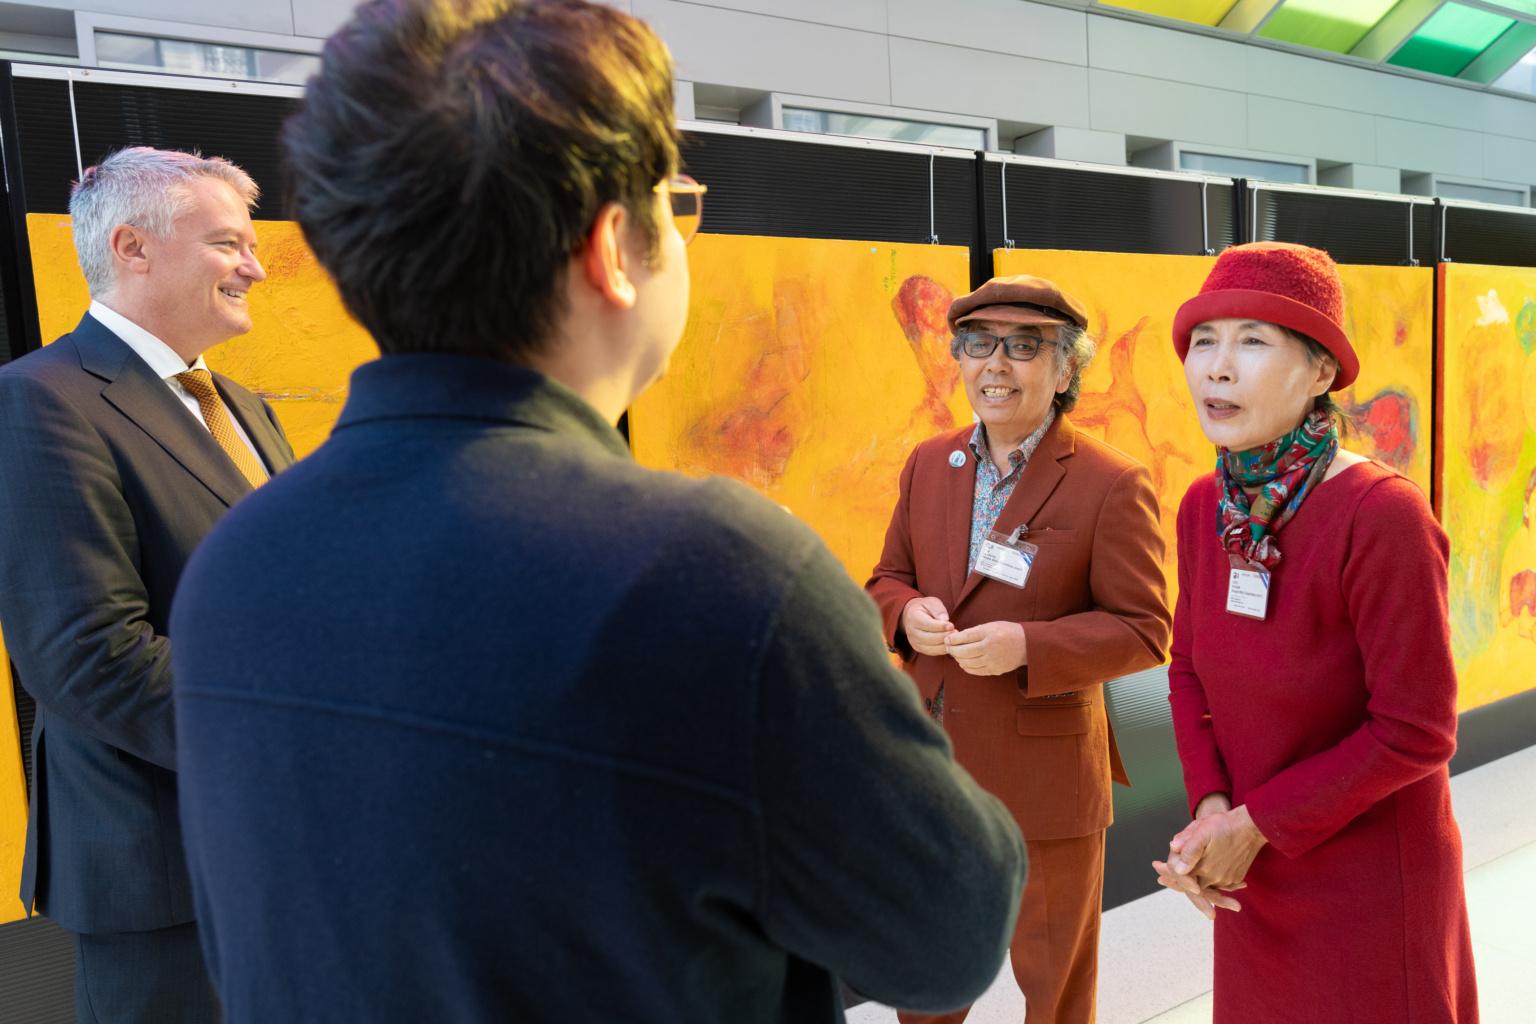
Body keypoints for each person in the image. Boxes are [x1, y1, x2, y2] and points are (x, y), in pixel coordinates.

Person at [168, 2, 1026, 1022]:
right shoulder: (714, 577)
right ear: (616, 245)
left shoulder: (235, 561)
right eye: (679, 199)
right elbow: (949, 935)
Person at [0, 147, 292, 1024]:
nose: (256, 266)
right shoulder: (38, 400)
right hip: (158, 865)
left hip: (273, 852)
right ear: (132, 246)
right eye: (228, 244)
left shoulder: (245, 403)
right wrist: (295, 742)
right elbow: (88, 657)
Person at [1155, 242, 1477, 1023]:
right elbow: (1189, 669)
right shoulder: (1207, 505)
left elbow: (1417, 730)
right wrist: (1211, 812)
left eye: (1253, 341)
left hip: (1364, 876)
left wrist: (1257, 825)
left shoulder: (1383, 516)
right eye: (1205, 341)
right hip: (1249, 864)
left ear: (1323, 372)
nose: (1217, 368)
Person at [866, 275, 1172, 1024]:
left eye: (1024, 346)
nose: (994, 364)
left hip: (1049, 774)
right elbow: (886, 579)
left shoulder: (1110, 481)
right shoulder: (928, 463)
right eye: (977, 344)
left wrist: (1026, 645)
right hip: (933, 766)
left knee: (1056, 986)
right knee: (930, 972)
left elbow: (1144, 628)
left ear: (1067, 369)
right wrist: (907, 616)